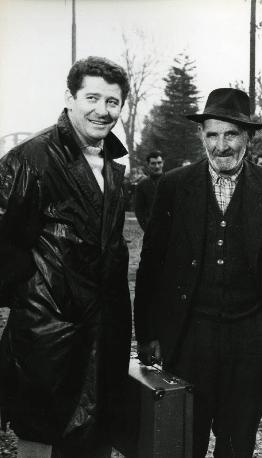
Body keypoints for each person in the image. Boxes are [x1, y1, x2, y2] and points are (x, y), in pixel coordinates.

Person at [134, 87, 262, 458]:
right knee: (185, 439)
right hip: (189, 338)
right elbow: (151, 264)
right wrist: (147, 334)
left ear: (248, 137)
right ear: (201, 136)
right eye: (212, 134)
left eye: (230, 135)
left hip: (250, 341)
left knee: (237, 442)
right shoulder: (175, 185)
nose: (221, 145)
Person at [0, 56, 132, 458]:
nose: (102, 110)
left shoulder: (111, 164)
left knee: (92, 441)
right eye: (91, 97)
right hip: (47, 344)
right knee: (41, 441)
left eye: (112, 102)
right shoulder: (29, 160)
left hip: (103, 337)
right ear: (69, 99)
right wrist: (38, 304)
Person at [135, 152, 164, 231]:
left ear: (163, 163)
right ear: (148, 165)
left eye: (159, 163)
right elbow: (139, 210)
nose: (157, 166)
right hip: (151, 227)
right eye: (153, 163)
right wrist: (146, 228)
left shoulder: (170, 181)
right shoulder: (142, 185)